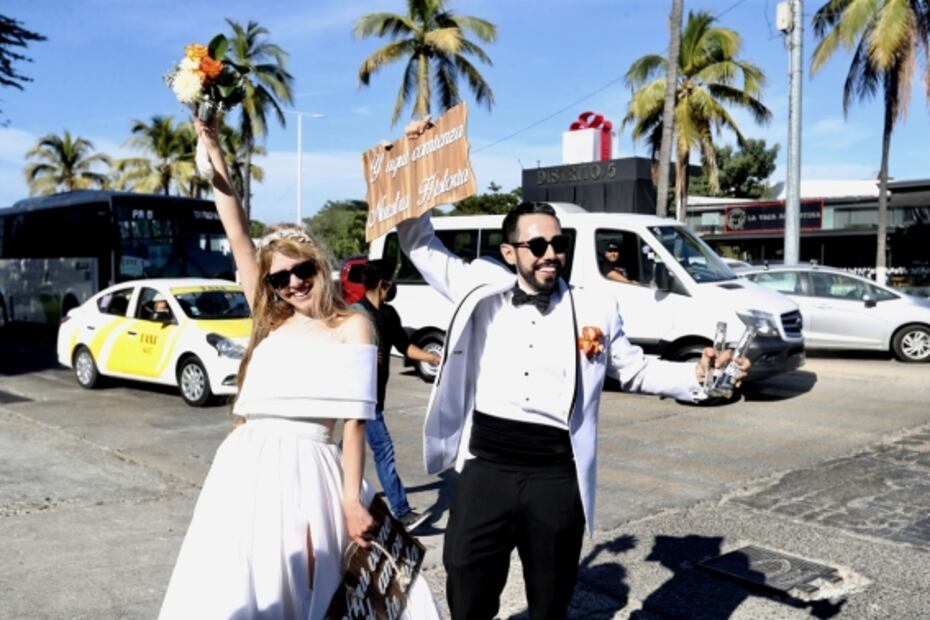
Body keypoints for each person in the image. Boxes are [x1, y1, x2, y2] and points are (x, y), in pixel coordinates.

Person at [396, 200, 748, 619]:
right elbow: (420, 243)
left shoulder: (595, 307)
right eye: (537, 244)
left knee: (550, 597)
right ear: (510, 252)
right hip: (486, 467)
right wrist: (414, 175)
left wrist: (699, 377)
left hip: (556, 474)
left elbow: (633, 371)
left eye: (558, 243)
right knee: (467, 583)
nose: (550, 253)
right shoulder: (478, 287)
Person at [158, 118, 439, 619]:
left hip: (311, 467)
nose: (293, 284)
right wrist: (213, 147)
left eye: (301, 271)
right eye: (280, 278)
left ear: (318, 265)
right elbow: (237, 230)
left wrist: (352, 502)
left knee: (314, 586)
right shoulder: (268, 319)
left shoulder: (351, 325)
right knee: (242, 584)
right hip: (244, 467)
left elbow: (355, 423)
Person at [355, 259, 440, 532]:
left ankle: (331, 495)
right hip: (360, 398)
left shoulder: (389, 315)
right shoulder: (354, 316)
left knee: (343, 456)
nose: (394, 287)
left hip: (375, 397)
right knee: (384, 453)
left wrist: (430, 357)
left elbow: (405, 346)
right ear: (383, 284)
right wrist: (364, 352)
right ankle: (402, 512)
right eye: (392, 282)